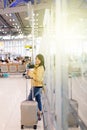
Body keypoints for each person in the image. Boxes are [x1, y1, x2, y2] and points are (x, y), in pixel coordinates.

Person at [27, 54, 45, 120]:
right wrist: (31, 71)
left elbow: (38, 78)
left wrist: (30, 74)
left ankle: (34, 113)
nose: (36, 60)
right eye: (36, 59)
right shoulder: (37, 67)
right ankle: (39, 112)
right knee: (38, 100)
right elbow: (35, 73)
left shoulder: (40, 68)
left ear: (41, 60)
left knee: (29, 100)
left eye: (38, 59)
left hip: (36, 86)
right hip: (37, 86)